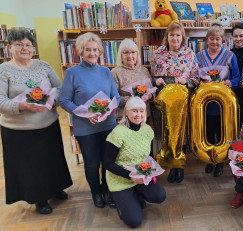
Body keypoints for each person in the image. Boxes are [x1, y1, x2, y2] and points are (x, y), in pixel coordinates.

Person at [0, 30, 72, 214]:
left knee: (52, 160)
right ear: (10, 47)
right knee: (30, 166)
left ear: (33, 47)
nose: (24, 48)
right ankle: (39, 198)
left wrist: (51, 101)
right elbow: (1, 102)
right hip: (19, 130)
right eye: (19, 44)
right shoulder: (3, 70)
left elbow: (58, 88)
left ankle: (56, 188)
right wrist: (23, 106)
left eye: (28, 45)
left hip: (48, 124)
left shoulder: (44, 66)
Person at [60, 32, 120, 208]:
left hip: (108, 125)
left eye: (95, 49)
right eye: (87, 50)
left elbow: (115, 97)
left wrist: (107, 110)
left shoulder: (106, 72)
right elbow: (64, 101)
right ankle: (96, 192)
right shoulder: (72, 73)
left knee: (108, 161)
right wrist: (86, 113)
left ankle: (108, 188)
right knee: (92, 163)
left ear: (100, 51)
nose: (92, 53)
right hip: (85, 129)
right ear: (80, 51)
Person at [104, 97, 166, 228]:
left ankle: (136, 196)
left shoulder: (147, 130)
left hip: (140, 176)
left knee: (160, 196)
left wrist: (148, 173)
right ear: (126, 113)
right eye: (134, 111)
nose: (139, 115)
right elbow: (107, 163)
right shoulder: (118, 133)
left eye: (141, 111)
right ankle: (118, 199)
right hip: (121, 179)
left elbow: (148, 156)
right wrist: (129, 176)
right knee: (134, 221)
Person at [151, 22, 199, 183]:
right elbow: (151, 78)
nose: (175, 38)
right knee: (166, 131)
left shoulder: (190, 54)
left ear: (183, 37)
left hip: (181, 98)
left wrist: (186, 80)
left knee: (181, 133)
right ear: (167, 37)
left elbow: (196, 79)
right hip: (163, 98)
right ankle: (170, 165)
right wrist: (156, 80)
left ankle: (179, 167)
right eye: (172, 35)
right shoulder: (158, 53)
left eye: (178, 35)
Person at [197, 23, 240, 177]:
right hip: (205, 104)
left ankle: (220, 161)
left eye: (218, 39)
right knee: (207, 133)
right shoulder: (199, 56)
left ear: (223, 40)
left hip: (224, 105)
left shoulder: (230, 56)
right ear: (207, 39)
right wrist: (201, 82)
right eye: (211, 38)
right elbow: (195, 77)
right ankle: (210, 159)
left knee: (222, 134)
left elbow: (236, 77)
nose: (214, 42)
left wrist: (231, 83)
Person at [111, 39, 153, 122]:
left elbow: (152, 92)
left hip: (143, 118)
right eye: (126, 53)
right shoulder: (115, 73)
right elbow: (113, 99)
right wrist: (133, 99)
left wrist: (149, 96)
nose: (130, 56)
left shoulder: (144, 70)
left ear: (137, 54)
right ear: (120, 55)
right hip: (124, 119)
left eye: (133, 52)